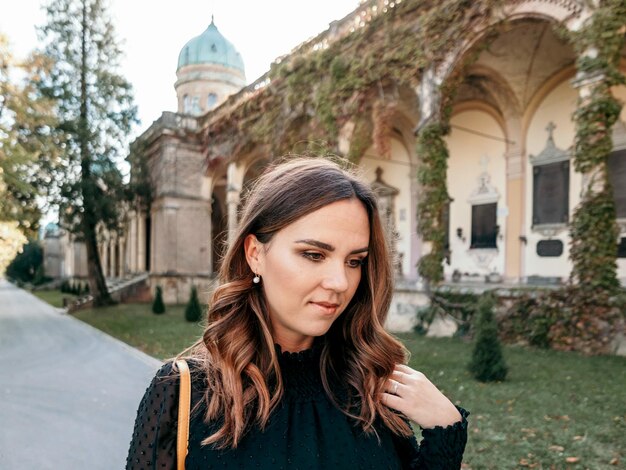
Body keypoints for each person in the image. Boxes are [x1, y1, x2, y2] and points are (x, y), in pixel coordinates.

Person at [126, 157, 469, 469]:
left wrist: (444, 431)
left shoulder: (373, 385)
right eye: (314, 254)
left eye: (355, 261)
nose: (340, 282)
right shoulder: (184, 393)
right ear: (255, 253)